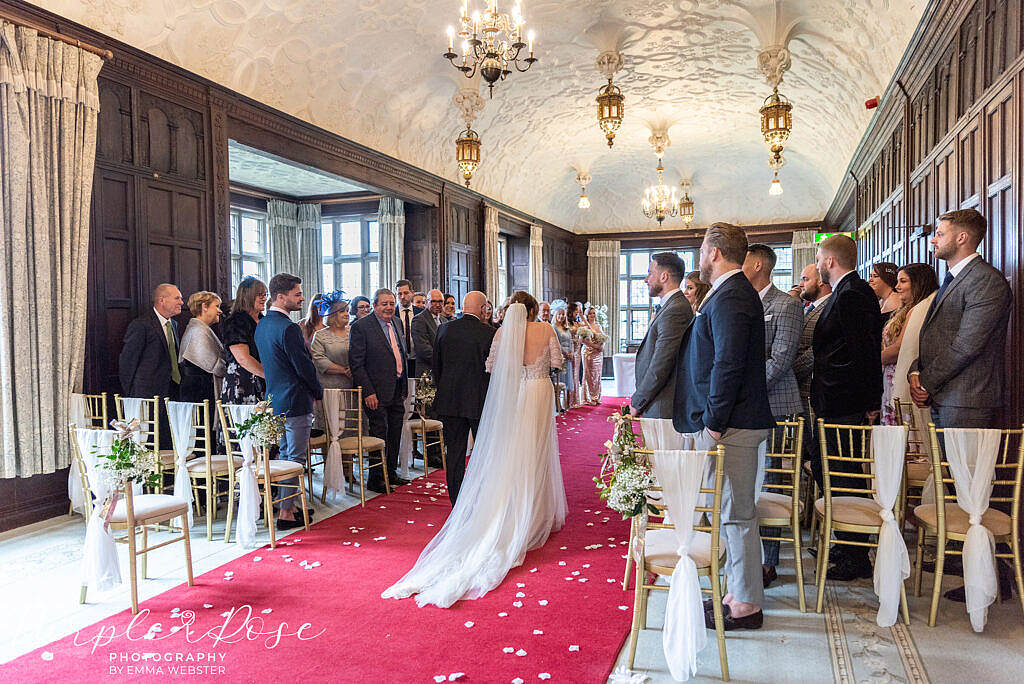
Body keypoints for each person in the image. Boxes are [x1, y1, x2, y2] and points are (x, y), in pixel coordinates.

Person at [382, 292, 566, 608]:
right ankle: (506, 503)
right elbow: (544, 365)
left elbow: (445, 365)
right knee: (504, 454)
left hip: (454, 400)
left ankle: (462, 502)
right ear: (481, 310)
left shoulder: (450, 330)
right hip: (503, 400)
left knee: (460, 455)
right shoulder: (496, 332)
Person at [673, 222, 773, 631]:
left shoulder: (732, 296)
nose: (699, 255)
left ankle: (746, 605)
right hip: (729, 423)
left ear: (714, 252)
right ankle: (737, 591)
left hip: (731, 424)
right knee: (730, 512)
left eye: (701, 248)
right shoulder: (729, 293)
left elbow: (727, 365)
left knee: (736, 513)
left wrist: (713, 422)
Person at [810, 234, 882, 581]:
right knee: (830, 474)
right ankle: (845, 541)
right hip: (833, 399)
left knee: (846, 477)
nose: (819, 264)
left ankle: (856, 554)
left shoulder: (854, 293)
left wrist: (871, 400)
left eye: (820, 258)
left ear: (831, 261)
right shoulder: (844, 291)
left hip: (846, 400)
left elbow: (864, 352)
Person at [910, 209, 1012, 428]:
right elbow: (936, 337)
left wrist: (925, 381)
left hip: (967, 401)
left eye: (940, 234)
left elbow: (967, 346)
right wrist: (916, 371)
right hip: (944, 398)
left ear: (962, 238)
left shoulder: (985, 280)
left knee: (965, 464)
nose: (933, 240)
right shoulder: (953, 278)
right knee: (946, 464)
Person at [742, 244, 803, 588]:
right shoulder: (744, 302)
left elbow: (781, 361)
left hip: (777, 403)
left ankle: (769, 561)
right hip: (749, 407)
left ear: (759, 264)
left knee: (772, 480)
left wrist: (743, 385)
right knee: (749, 479)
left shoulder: (786, 305)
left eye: (746, 260)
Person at [254, 273, 323, 530]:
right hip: (295, 399)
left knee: (284, 455)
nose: (302, 298)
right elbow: (303, 367)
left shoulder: (263, 325)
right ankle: (285, 512)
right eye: (297, 294)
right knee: (294, 459)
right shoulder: (289, 328)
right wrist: (317, 392)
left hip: (274, 399)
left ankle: (290, 505)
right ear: (280, 297)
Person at [431, 291, 496, 504]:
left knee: (455, 453)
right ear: (482, 309)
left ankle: (456, 500)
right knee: (483, 451)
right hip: (479, 401)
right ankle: (482, 498)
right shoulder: (489, 333)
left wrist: (445, 391)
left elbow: (437, 367)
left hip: (450, 401)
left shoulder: (444, 329)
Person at [349, 288, 411, 493]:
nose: (389, 307)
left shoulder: (396, 322)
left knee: (395, 432)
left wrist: (404, 386)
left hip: (396, 388)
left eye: (391, 303)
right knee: (379, 434)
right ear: (374, 306)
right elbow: (356, 364)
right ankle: (376, 479)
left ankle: (391, 473)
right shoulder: (361, 327)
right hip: (375, 391)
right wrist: (368, 392)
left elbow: (401, 352)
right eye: (384, 304)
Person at [630, 253, 692, 419]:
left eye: (650, 273)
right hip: (657, 401)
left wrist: (638, 402)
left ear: (664, 276)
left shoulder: (675, 309)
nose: (646, 279)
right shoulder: (670, 306)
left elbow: (662, 363)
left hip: (663, 404)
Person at [880, 264, 938, 424]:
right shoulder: (907, 308)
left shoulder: (919, 309)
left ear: (918, 283)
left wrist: (872, 360)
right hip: (890, 378)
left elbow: (900, 349)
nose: (897, 286)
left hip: (900, 376)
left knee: (906, 433)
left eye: (903, 281)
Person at [119, 283, 184, 399]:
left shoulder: (173, 324)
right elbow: (127, 362)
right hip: (147, 394)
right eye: (177, 298)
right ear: (162, 300)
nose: (181, 302)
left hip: (172, 391)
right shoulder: (141, 325)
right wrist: (131, 393)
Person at [220, 277, 267, 405]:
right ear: (247, 296)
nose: (264, 298)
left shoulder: (264, 321)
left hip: (263, 378)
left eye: (265, 294)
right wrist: (270, 376)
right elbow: (243, 359)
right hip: (242, 380)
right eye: (260, 295)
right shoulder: (236, 321)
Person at [178, 291, 226, 404]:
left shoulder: (200, 328)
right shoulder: (198, 331)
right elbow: (215, 366)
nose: (220, 311)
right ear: (204, 306)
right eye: (216, 306)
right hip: (200, 392)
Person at [310, 291, 353, 391]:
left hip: (353, 385)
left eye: (347, 311)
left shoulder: (354, 332)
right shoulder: (320, 335)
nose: (346, 314)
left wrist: (355, 369)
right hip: (330, 388)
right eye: (342, 311)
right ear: (332, 315)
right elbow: (319, 360)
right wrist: (344, 371)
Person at [411, 289, 445, 372]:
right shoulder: (419, 320)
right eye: (433, 301)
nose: (437, 305)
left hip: (442, 371)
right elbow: (423, 349)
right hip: (427, 372)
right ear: (426, 303)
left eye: (440, 301)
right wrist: (445, 360)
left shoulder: (444, 321)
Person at [395, 279, 423, 377]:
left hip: (418, 359)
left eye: (406, 293)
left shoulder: (421, 313)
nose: (403, 297)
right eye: (399, 294)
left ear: (412, 293)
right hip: (399, 361)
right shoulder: (392, 313)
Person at [550, 300, 575, 410]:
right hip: (560, 357)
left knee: (566, 382)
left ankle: (565, 404)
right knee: (558, 381)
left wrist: (571, 353)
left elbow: (570, 342)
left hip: (568, 357)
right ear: (556, 315)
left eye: (563, 314)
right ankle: (557, 405)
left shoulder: (566, 327)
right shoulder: (553, 327)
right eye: (559, 314)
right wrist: (565, 353)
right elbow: (556, 343)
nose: (561, 316)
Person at [579, 305, 605, 405]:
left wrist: (601, 346)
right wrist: (593, 345)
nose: (592, 315)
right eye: (590, 313)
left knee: (597, 374)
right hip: (588, 353)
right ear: (587, 315)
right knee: (588, 374)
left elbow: (603, 338)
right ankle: (588, 397)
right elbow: (581, 341)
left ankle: (597, 396)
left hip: (598, 353)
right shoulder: (583, 326)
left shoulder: (598, 326)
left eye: (594, 313)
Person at [868, 262, 900, 327]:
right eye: (871, 276)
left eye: (875, 276)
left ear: (887, 279)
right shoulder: (881, 301)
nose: (870, 280)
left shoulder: (895, 300)